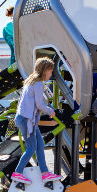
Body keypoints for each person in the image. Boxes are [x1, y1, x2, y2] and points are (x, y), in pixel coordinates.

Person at [11, 57, 63, 185]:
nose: (51, 74)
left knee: (40, 145)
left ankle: (45, 173)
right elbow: (39, 104)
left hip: (26, 119)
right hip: (27, 120)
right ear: (45, 71)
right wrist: (51, 111)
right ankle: (18, 172)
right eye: (50, 71)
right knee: (32, 147)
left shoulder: (30, 82)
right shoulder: (38, 84)